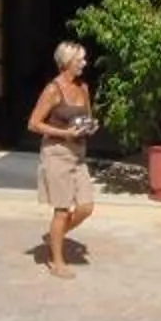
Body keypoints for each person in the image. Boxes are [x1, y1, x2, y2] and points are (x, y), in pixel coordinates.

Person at [28, 41, 98, 278]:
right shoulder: (53, 90)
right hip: (57, 153)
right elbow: (34, 123)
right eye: (80, 60)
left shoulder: (83, 87)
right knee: (61, 210)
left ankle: (54, 237)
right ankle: (57, 261)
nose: (84, 63)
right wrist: (64, 133)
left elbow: (86, 116)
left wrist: (89, 127)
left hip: (78, 154)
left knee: (86, 207)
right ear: (67, 62)